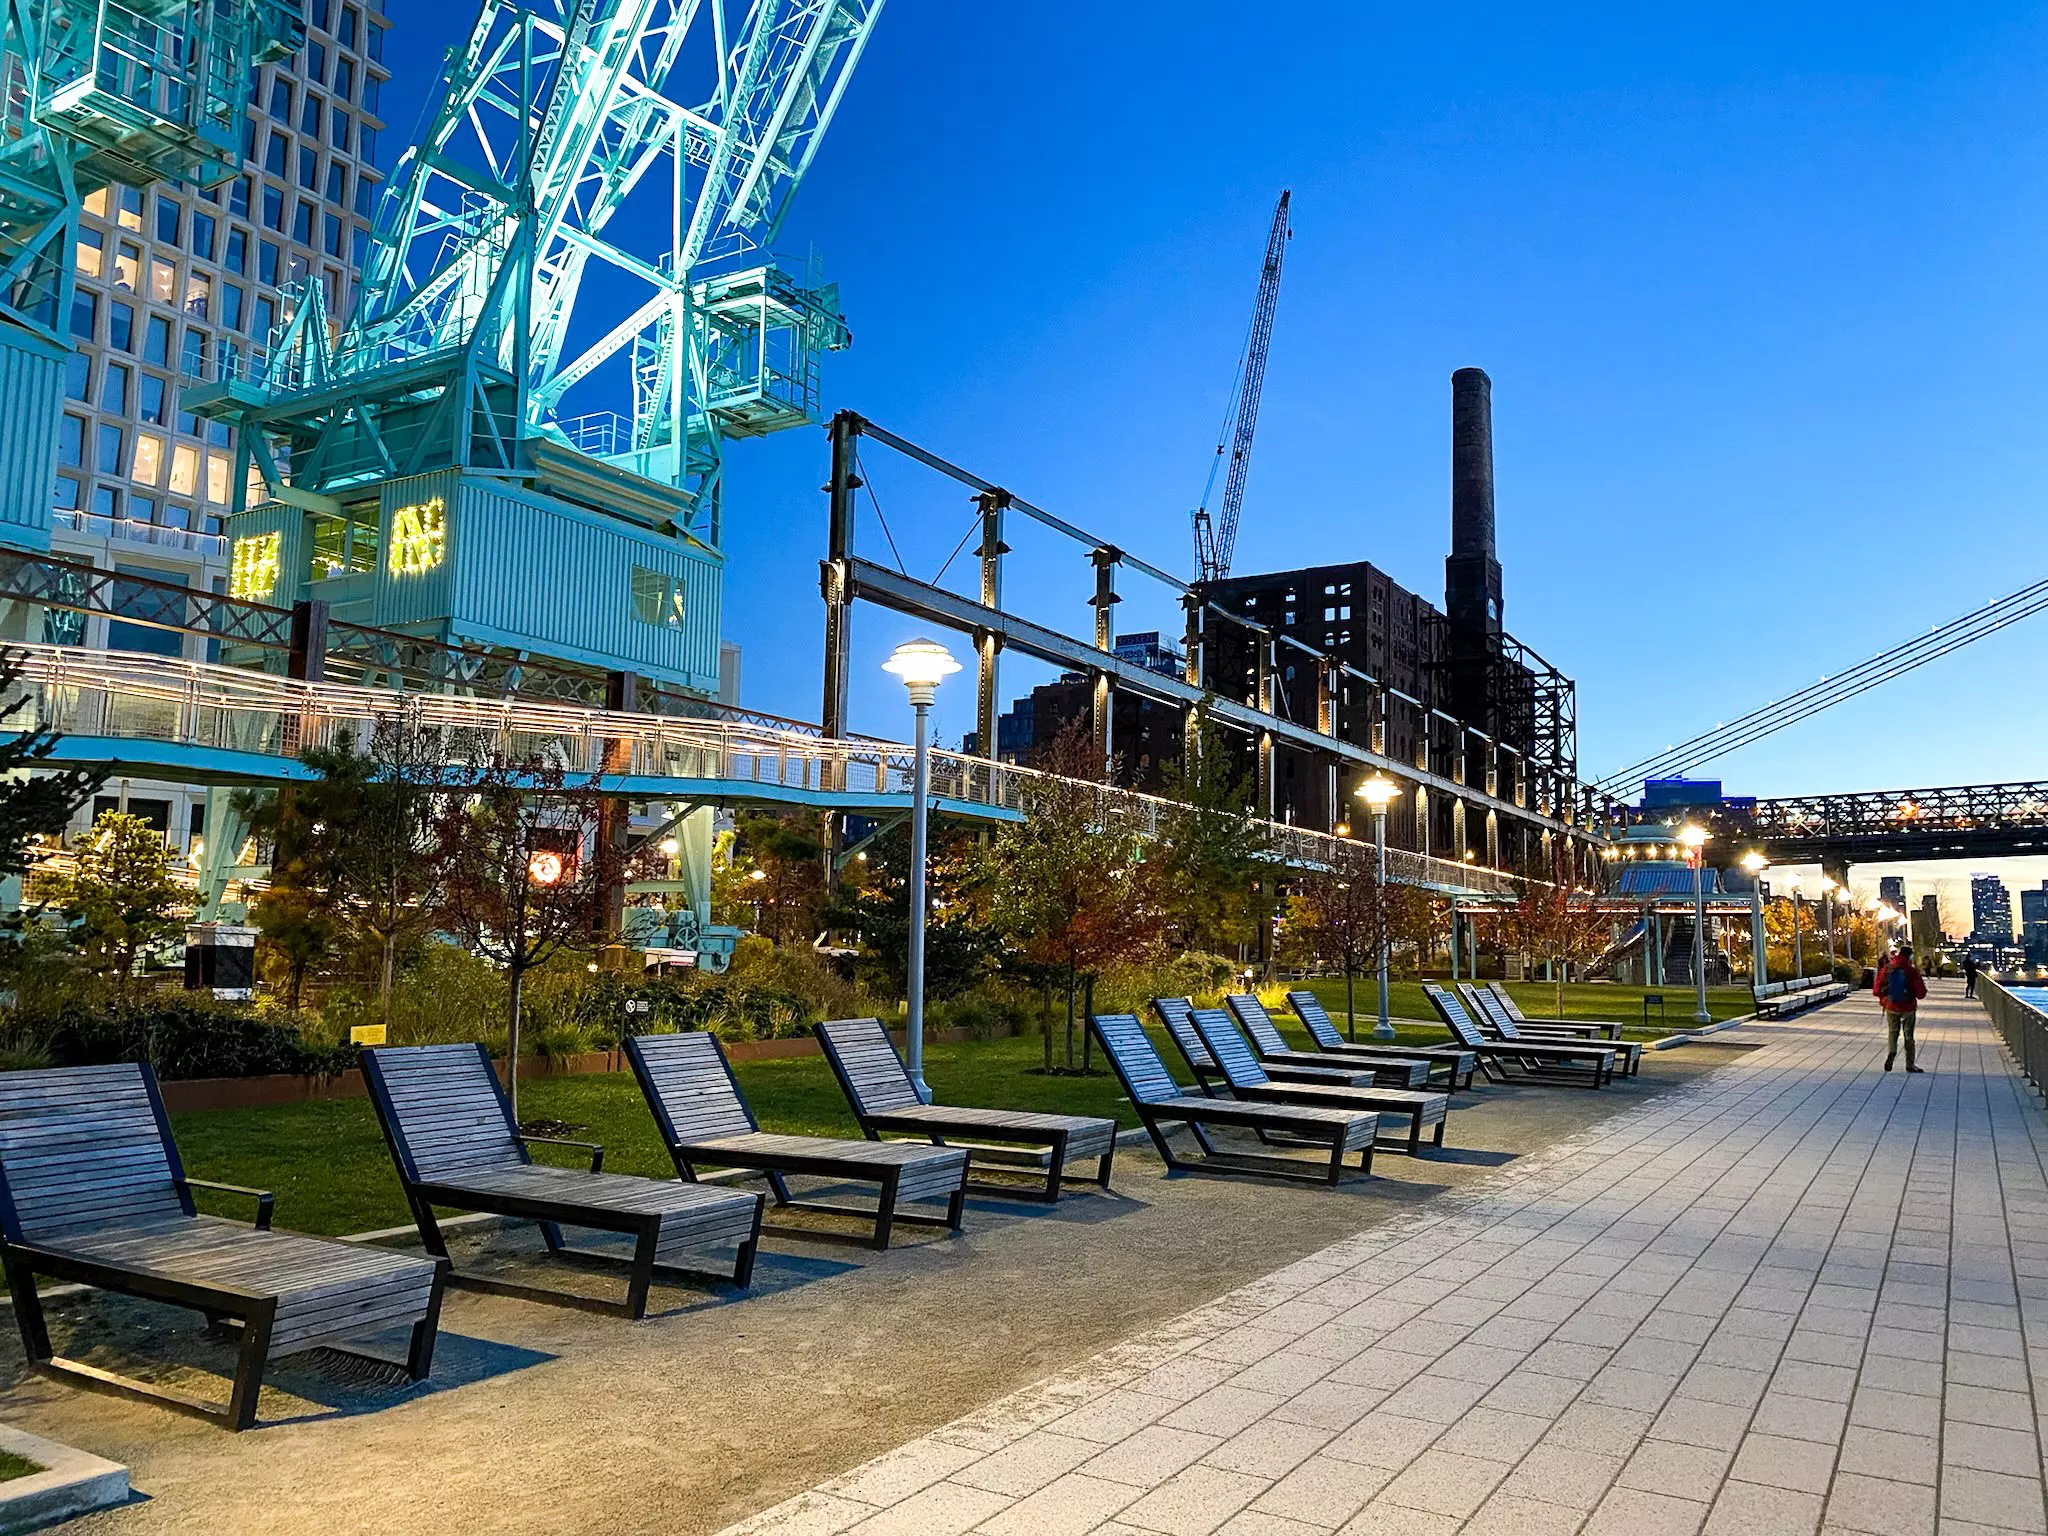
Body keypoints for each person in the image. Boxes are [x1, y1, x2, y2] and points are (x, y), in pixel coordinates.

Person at [1875, 942, 1928, 1073]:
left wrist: (1885, 999)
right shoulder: (1911, 970)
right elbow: (1921, 993)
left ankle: (1892, 1052)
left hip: (1891, 1005)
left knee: (1893, 1032)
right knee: (1908, 1035)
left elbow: (1877, 989)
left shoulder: (1888, 968)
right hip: (1908, 1007)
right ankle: (1910, 1064)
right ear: (1909, 956)